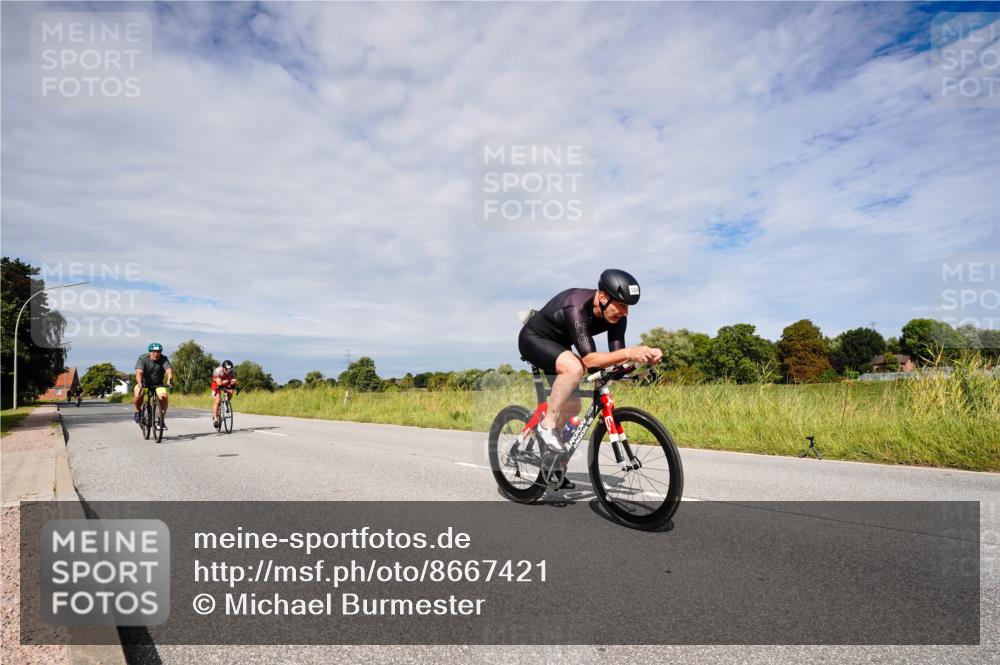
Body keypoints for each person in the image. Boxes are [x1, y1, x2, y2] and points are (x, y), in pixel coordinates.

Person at [518, 269, 662, 455]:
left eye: (628, 307)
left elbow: (618, 356)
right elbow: (589, 359)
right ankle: (547, 425)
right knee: (574, 368)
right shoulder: (576, 305)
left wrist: (646, 355)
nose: (625, 312)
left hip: (560, 345)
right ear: (603, 298)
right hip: (534, 339)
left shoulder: (617, 317)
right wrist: (631, 352)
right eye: (621, 305)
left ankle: (551, 463)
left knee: (573, 405)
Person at [134, 342, 174, 429]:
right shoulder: (143, 358)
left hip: (158, 384)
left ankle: (161, 421)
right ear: (149, 352)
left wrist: (169, 380)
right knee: (138, 395)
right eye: (153, 352)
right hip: (144, 384)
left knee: (163, 397)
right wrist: (140, 383)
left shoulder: (164, 359)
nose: (156, 354)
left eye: (158, 352)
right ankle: (138, 411)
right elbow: (139, 372)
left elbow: (169, 370)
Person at [211, 359, 238, 430]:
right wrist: (223, 382)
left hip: (226, 382)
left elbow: (234, 383)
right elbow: (219, 383)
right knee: (217, 400)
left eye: (230, 369)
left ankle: (226, 402)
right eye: (227, 369)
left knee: (231, 391)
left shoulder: (233, 372)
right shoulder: (218, 371)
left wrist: (234, 383)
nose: (228, 371)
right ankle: (215, 418)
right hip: (216, 384)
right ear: (223, 368)